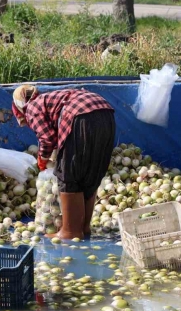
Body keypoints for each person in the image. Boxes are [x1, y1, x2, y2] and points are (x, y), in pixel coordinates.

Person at [12, 85, 115, 240]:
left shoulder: (31, 106)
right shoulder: (51, 98)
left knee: (68, 174)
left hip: (80, 116)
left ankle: (70, 231)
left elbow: (47, 138)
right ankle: (83, 227)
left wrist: (42, 160)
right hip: (106, 114)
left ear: (20, 108)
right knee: (90, 173)